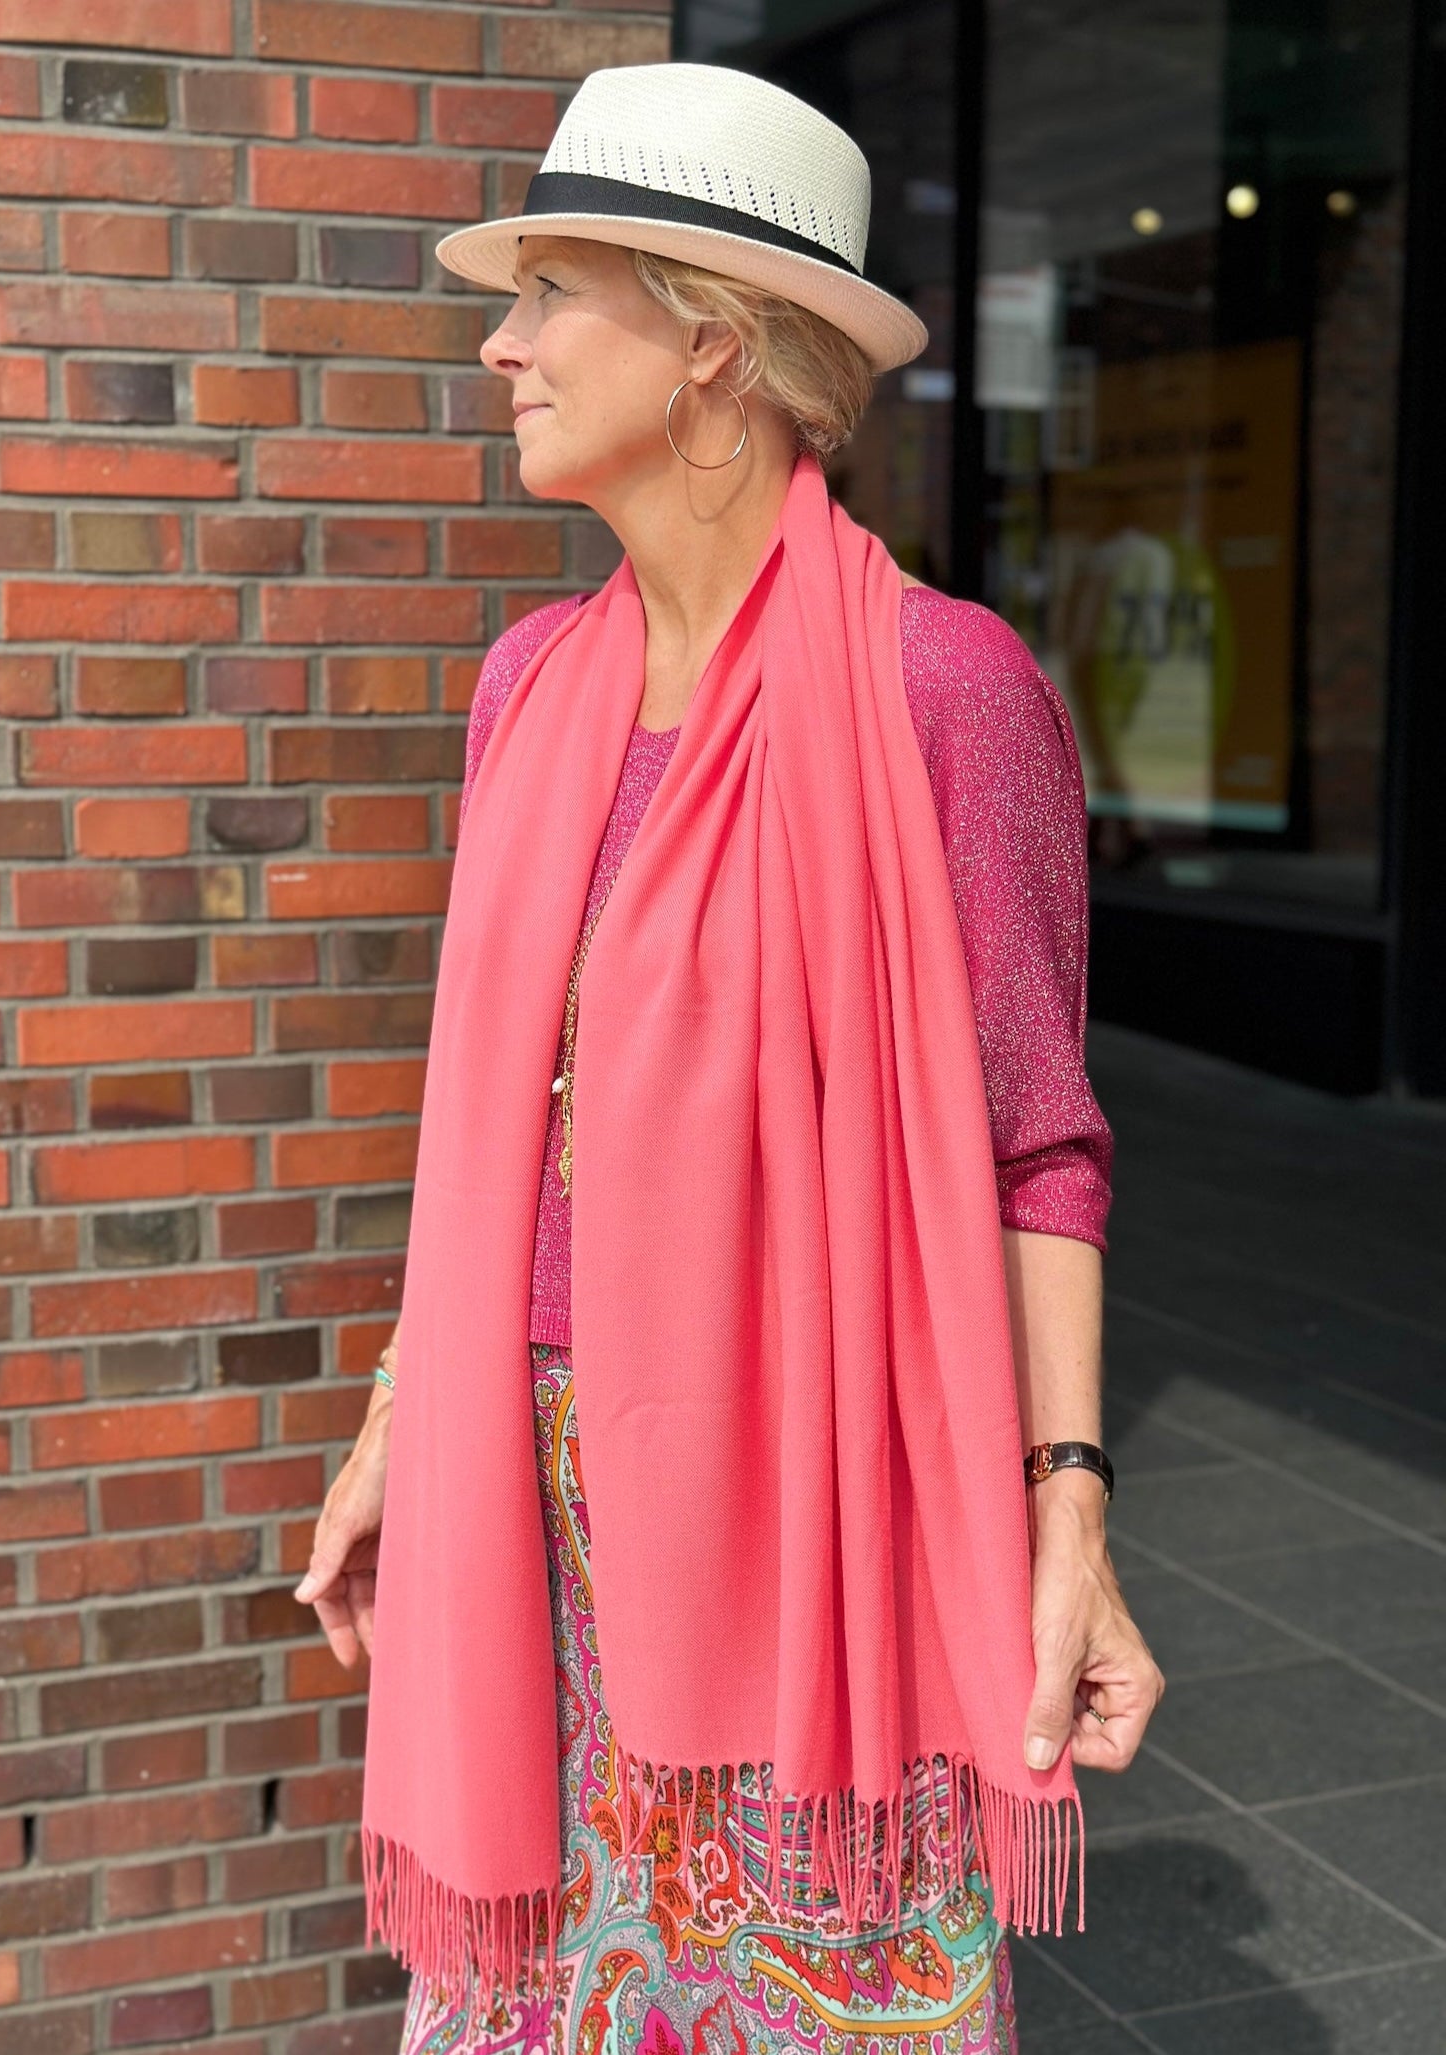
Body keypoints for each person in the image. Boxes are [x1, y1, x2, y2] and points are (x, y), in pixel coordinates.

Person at [295, 61, 1163, 2055]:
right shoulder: (532, 687)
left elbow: (1039, 1146)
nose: (501, 343)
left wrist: (1071, 1513)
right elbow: (501, 1130)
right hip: (531, 1520)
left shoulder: (946, 690)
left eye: (550, 292)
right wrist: (392, 1426)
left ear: (708, 339)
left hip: (815, 1520)